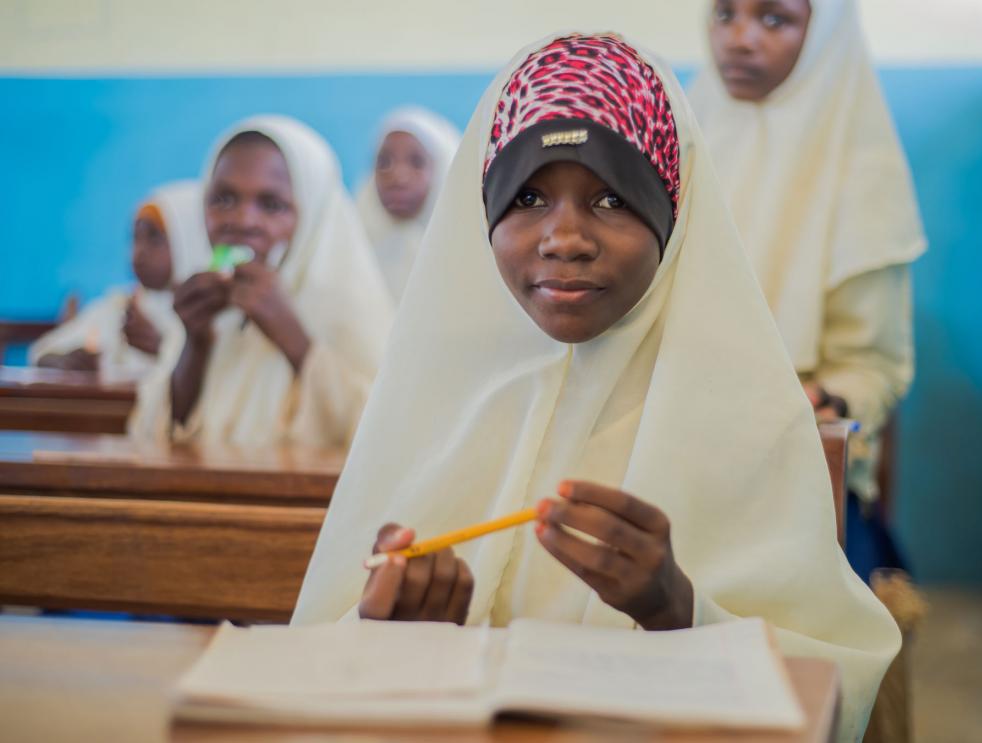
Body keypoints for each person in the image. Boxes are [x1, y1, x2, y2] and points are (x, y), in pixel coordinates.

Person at [293, 33, 899, 740]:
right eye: (527, 196)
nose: (565, 237)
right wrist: (385, 632)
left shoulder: (750, 424)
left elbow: (835, 687)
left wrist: (681, 609)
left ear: (673, 213)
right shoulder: (434, 415)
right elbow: (317, 659)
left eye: (611, 197)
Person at [689, 0, 927, 580]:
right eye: (725, 14)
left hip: (803, 471)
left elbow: (874, 368)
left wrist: (829, 400)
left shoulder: (864, 171)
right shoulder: (682, 140)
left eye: (775, 20)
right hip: (686, 447)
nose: (740, 39)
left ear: (824, 36)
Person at [128, 116, 393, 448]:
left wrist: (292, 337)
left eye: (271, 205)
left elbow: (383, 437)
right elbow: (153, 435)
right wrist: (195, 343)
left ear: (313, 215)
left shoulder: (348, 311)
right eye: (223, 200)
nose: (242, 221)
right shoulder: (213, 313)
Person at [32, 181, 209, 381]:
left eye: (154, 238)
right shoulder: (121, 306)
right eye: (135, 238)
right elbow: (44, 354)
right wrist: (65, 362)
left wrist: (161, 347)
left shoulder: (206, 312)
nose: (139, 252)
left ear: (189, 239)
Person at [355, 106, 460, 303]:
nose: (398, 177)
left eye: (416, 162)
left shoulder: (469, 257)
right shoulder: (351, 254)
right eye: (384, 162)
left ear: (443, 170)